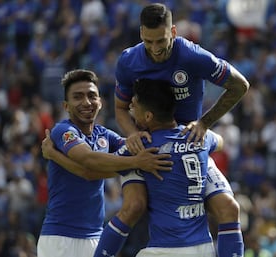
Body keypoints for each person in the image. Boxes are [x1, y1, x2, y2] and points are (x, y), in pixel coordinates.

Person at [111, 3, 249, 257]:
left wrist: (205, 122)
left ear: (173, 31)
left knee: (229, 208)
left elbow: (240, 85)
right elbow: (120, 108)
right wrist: (131, 133)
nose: (155, 49)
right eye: (148, 41)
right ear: (141, 33)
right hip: (149, 146)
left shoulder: (192, 57)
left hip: (188, 147)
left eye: (161, 40)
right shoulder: (129, 61)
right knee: (133, 207)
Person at [37, 69, 172, 257]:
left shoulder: (104, 135)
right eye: (78, 97)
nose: (86, 102)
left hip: (96, 236)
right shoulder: (63, 130)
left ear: (100, 102)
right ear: (66, 106)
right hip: (61, 237)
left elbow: (131, 147)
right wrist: (137, 162)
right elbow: (88, 162)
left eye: (92, 96)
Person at [96, 78, 224, 257]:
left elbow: (96, 168)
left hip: (165, 249)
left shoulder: (143, 145)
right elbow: (220, 141)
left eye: (134, 108)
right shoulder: (200, 137)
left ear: (148, 116)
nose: (131, 113)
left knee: (130, 207)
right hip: (204, 247)